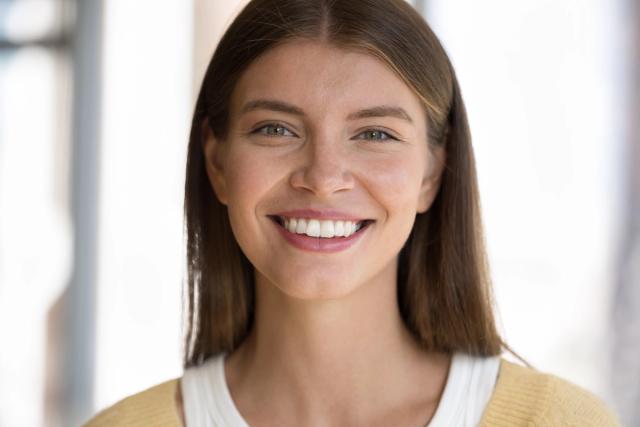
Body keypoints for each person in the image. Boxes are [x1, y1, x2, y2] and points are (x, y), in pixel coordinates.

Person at [85, 0, 622, 425]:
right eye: (276, 128)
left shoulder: (554, 422)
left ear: (432, 174)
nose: (322, 177)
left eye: (375, 134)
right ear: (217, 161)